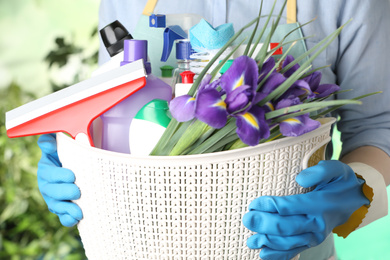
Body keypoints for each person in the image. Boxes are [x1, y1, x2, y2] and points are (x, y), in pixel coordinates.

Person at [37, 0, 390, 259]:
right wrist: (76, 159)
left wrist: (356, 191)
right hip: (138, 244)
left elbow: (380, 125)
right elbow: (109, 103)